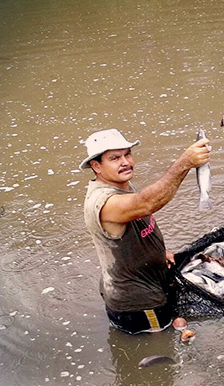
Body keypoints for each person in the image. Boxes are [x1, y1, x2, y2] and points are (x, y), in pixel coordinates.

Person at [79, 128, 210, 334]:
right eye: (115, 158)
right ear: (96, 166)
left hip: (149, 284)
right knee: (161, 347)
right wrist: (184, 163)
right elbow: (147, 203)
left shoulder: (121, 184)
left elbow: (136, 224)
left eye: (127, 154)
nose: (125, 162)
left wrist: (159, 252)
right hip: (138, 304)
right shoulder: (104, 202)